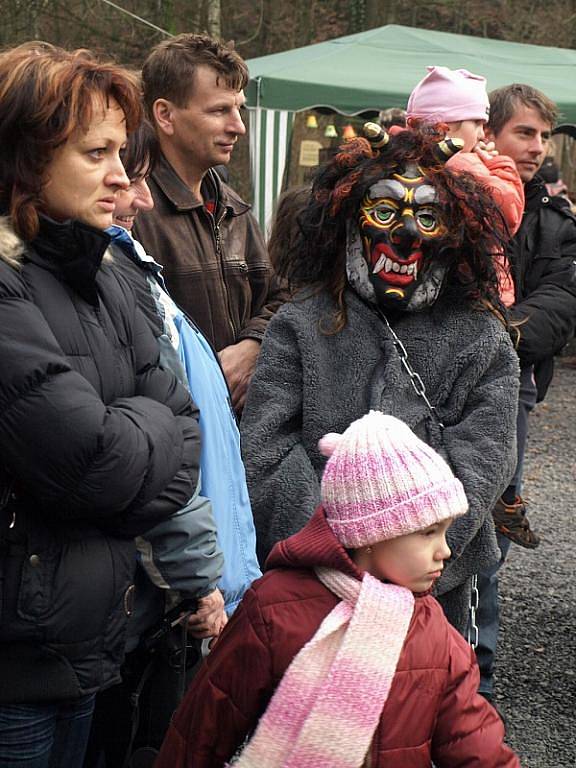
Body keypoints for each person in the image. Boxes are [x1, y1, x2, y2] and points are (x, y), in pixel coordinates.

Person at [0, 43, 203, 767]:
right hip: (16, 664)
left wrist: (129, 432)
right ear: (24, 157)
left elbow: (189, 431)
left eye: (121, 150)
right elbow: (95, 463)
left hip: (91, 646)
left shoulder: (110, 270)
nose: (122, 175)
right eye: (97, 152)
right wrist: (139, 432)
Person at [240, 126, 520, 636]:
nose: (407, 235)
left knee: (421, 704)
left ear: (455, 232)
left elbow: (486, 457)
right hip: (313, 591)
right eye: (385, 213)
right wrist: (336, 549)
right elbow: (264, 451)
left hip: (431, 597)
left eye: (429, 217)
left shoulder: (480, 335)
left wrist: (413, 554)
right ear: (349, 221)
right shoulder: (301, 323)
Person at [154, 411, 520, 768]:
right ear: (372, 534)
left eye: (444, 531)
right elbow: (203, 728)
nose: (446, 550)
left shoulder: (431, 628)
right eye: (428, 532)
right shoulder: (274, 610)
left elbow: (474, 745)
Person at [85, 122, 263, 765]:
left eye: (129, 171)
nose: (139, 197)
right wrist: (197, 577)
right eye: (115, 169)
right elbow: (143, 451)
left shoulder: (135, 269)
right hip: (155, 584)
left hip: (188, 566)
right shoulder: (109, 280)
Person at [476, 83, 576, 699]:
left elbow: (561, 304)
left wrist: (491, 335)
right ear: (488, 133)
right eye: (524, 133)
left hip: (512, 386)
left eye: (544, 135)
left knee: (492, 520)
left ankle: (473, 673)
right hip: (429, 380)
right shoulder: (452, 197)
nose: (537, 147)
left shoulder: (555, 219)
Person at [133, 33, 285, 412]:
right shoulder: (130, 210)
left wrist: (252, 345)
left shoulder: (235, 209)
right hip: (172, 431)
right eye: (219, 111)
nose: (239, 127)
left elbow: (283, 295)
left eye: (239, 109)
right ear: (165, 115)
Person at [406, 65, 525, 307]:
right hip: (472, 296)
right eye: (478, 123)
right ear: (447, 126)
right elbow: (508, 214)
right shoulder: (462, 164)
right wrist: (498, 164)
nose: (483, 135)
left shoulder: (410, 161)